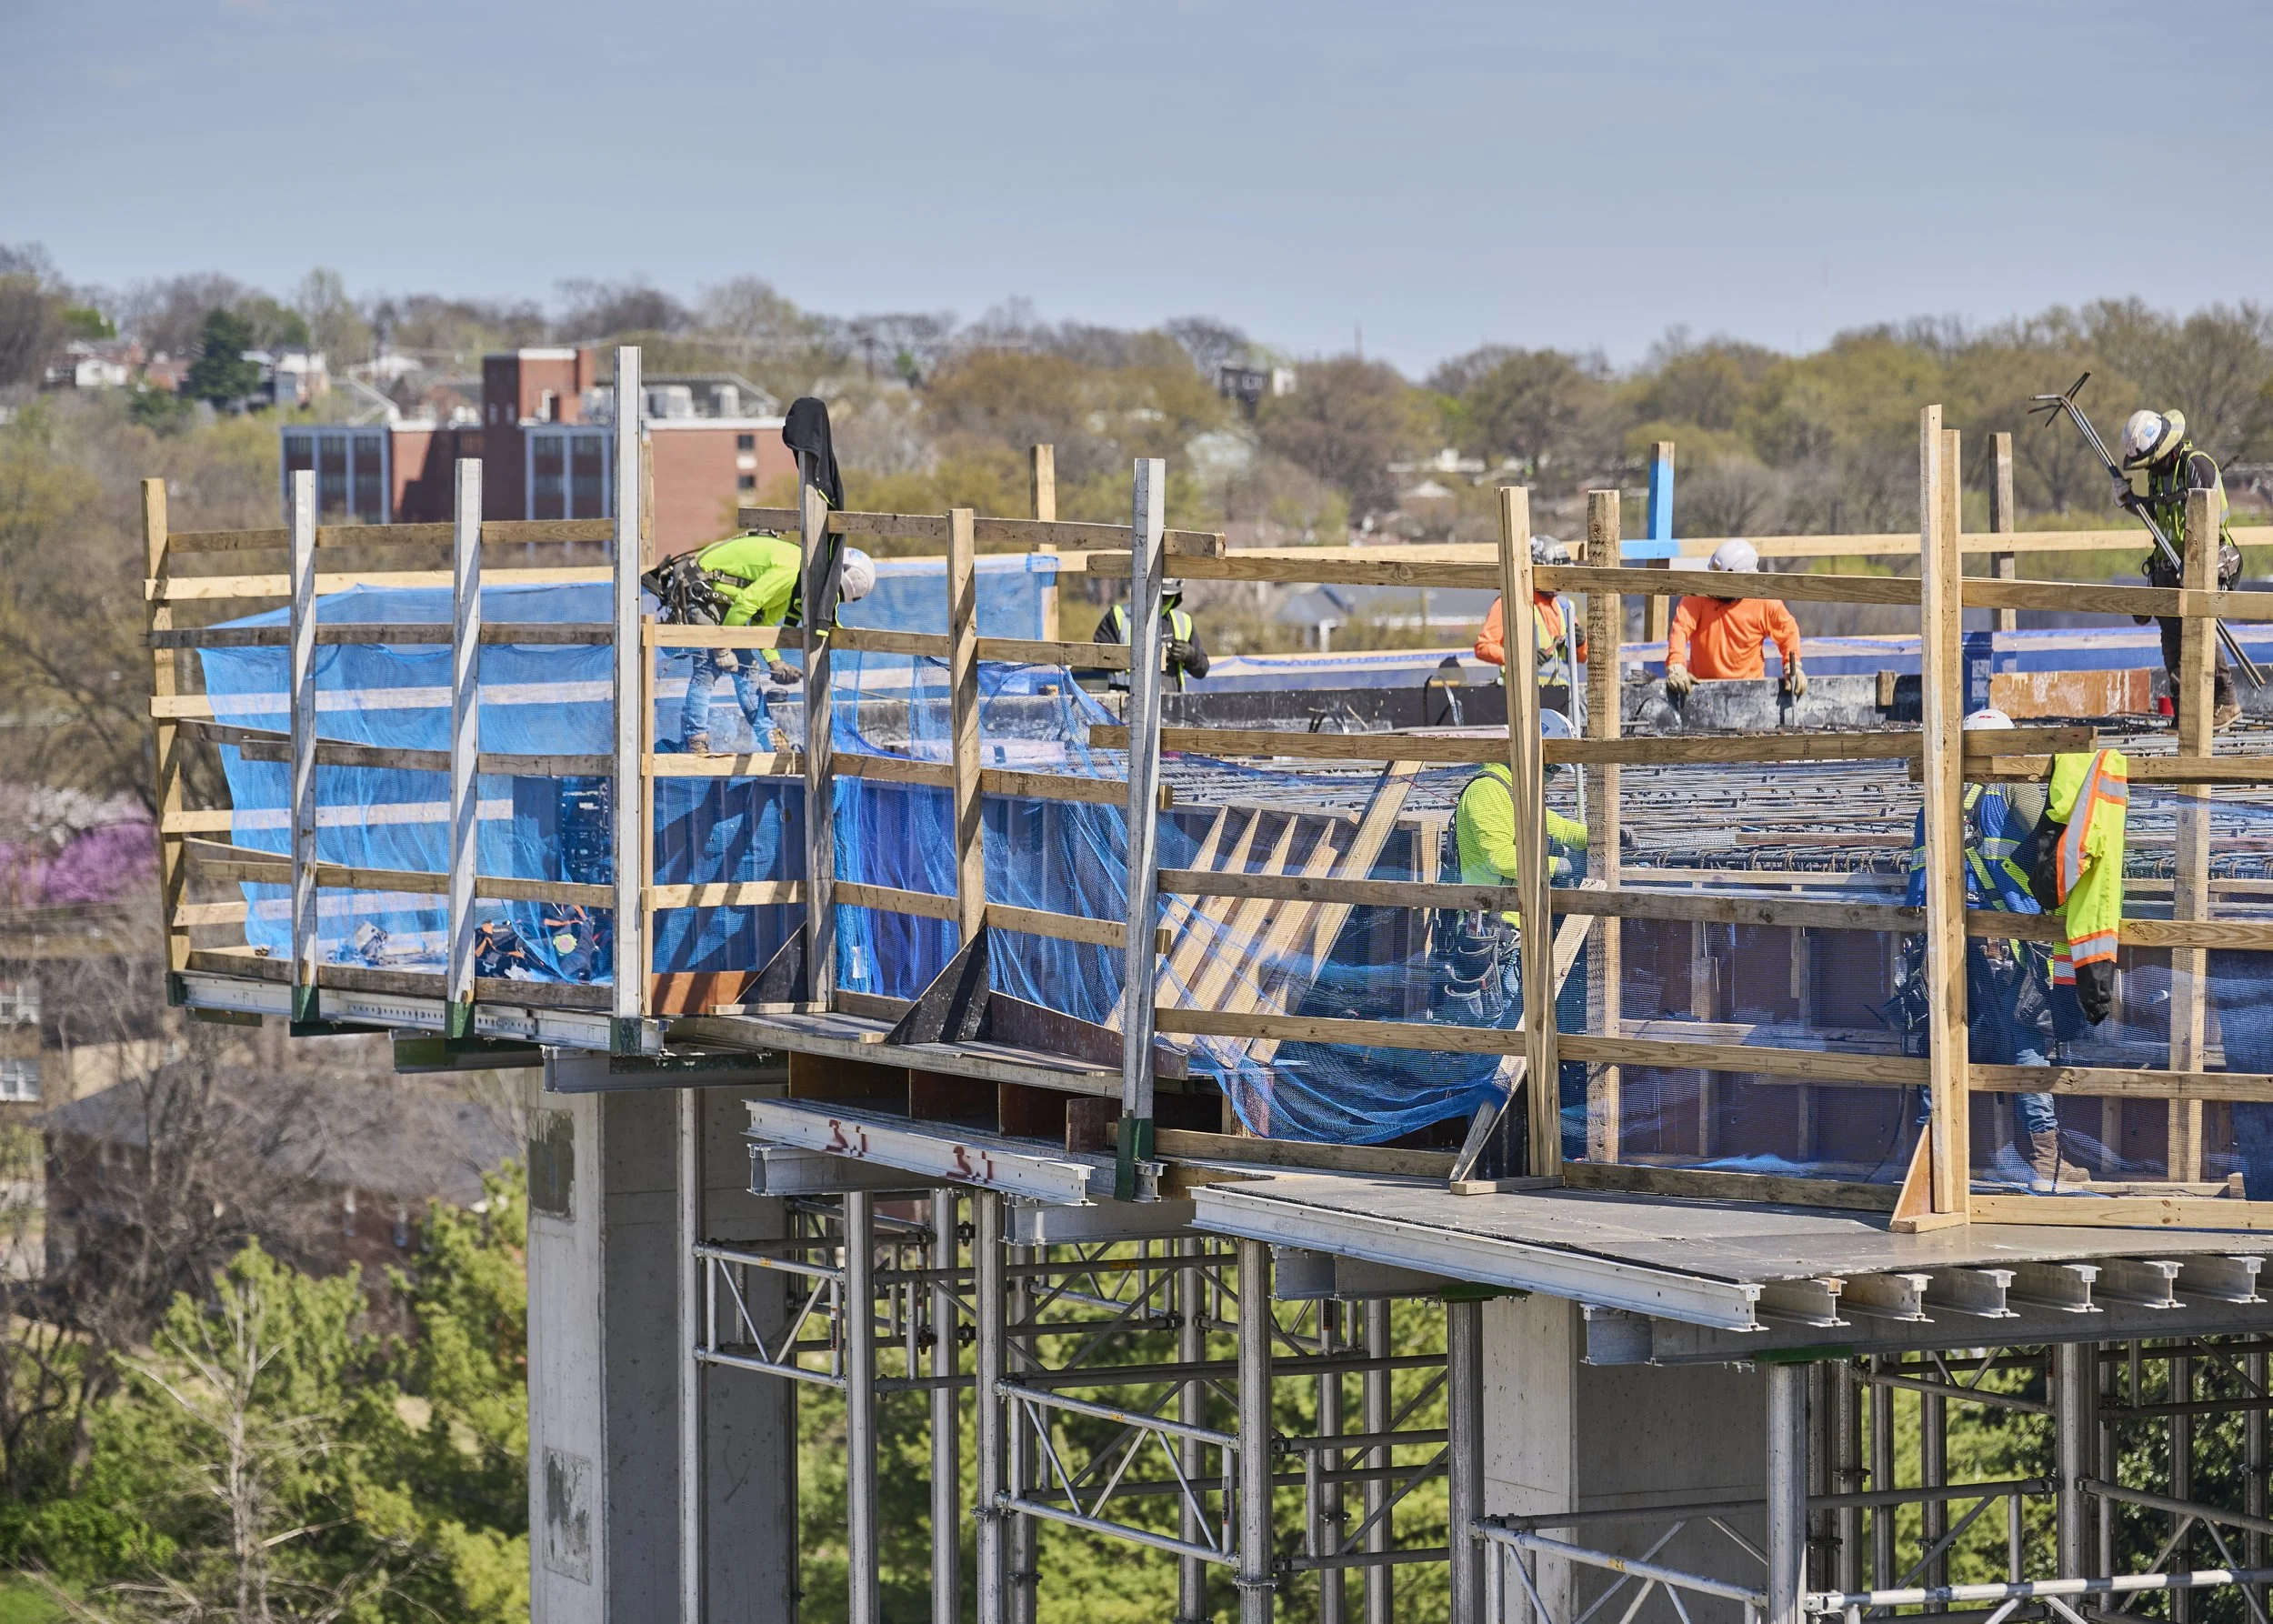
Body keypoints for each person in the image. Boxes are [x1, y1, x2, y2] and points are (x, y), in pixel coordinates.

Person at [674, 532, 875, 754]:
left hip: (724, 604)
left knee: (748, 672)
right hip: (700, 590)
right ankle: (695, 740)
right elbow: (747, 603)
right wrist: (722, 646)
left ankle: (771, 741)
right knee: (708, 667)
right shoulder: (792, 572)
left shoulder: (800, 583)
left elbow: (763, 621)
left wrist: (775, 662)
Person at [2115, 407, 2244, 731]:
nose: (2150, 467)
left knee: (2200, 630)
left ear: (2167, 449)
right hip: (2168, 565)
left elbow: (2208, 518)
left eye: (2153, 461)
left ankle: (2225, 702)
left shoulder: (2196, 466)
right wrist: (2131, 502)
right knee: (2172, 640)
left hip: (2207, 559)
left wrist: (2194, 564)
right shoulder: (2158, 474)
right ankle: (2185, 711)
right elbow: (2159, 513)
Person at [1663, 539, 1806, 699]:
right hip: (1701, 690)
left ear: (1743, 580)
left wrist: (1792, 667)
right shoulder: (1699, 595)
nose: (1715, 586)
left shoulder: (1764, 602)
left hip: (1751, 693)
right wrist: (1676, 665)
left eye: (1722, 581)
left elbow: (1788, 632)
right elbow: (1681, 628)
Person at [1475, 536, 1586, 692]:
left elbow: (1581, 657)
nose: (1560, 580)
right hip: (1524, 697)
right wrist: (1523, 659)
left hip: (1562, 699)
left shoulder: (1566, 606)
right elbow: (1483, 647)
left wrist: (1581, 643)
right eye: (1555, 574)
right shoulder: (1510, 604)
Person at [1094, 576, 1209, 690]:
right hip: (1127, 698)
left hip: (1172, 700)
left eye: (1166, 598)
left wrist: (1191, 656)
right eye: (1158, 596)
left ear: (1176, 596)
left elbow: (1202, 670)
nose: (1161, 602)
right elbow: (1096, 660)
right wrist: (1133, 657)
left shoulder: (1183, 621)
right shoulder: (1119, 616)